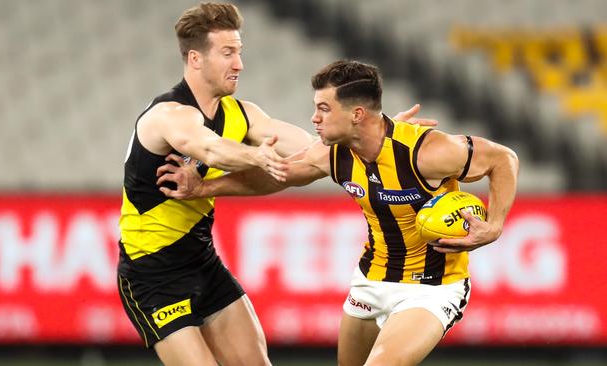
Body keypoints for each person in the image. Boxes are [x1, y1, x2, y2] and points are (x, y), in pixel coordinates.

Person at [117, 3, 436, 365]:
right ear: (195, 59)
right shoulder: (168, 115)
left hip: (203, 263)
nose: (239, 64)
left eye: (239, 51)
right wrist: (258, 157)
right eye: (228, 53)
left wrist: (378, 133)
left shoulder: (243, 114)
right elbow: (208, 147)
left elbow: (312, 148)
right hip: (151, 275)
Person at [157, 60, 520, 366]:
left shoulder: (425, 151)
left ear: (357, 114)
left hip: (431, 289)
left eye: (324, 108)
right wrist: (203, 188)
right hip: (371, 280)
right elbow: (277, 175)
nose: (314, 118)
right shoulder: (331, 152)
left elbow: (503, 159)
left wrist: (495, 226)